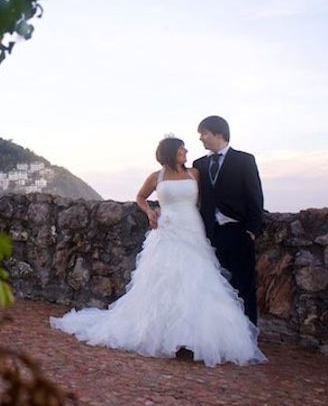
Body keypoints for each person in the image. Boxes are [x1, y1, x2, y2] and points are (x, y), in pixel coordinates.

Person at [50, 137, 266, 367]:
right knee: (165, 282)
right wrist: (150, 211)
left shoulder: (195, 173)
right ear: (171, 152)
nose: (186, 150)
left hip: (192, 229)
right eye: (182, 148)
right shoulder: (156, 177)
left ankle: (193, 338)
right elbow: (140, 197)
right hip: (167, 230)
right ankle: (167, 336)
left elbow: (208, 201)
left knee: (196, 281)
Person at [193, 115, 264, 325]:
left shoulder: (244, 160)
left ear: (219, 134)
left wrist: (252, 231)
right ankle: (221, 332)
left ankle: (249, 334)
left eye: (204, 134)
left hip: (238, 231)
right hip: (209, 234)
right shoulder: (199, 164)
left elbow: (255, 196)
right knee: (215, 286)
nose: (201, 139)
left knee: (244, 285)